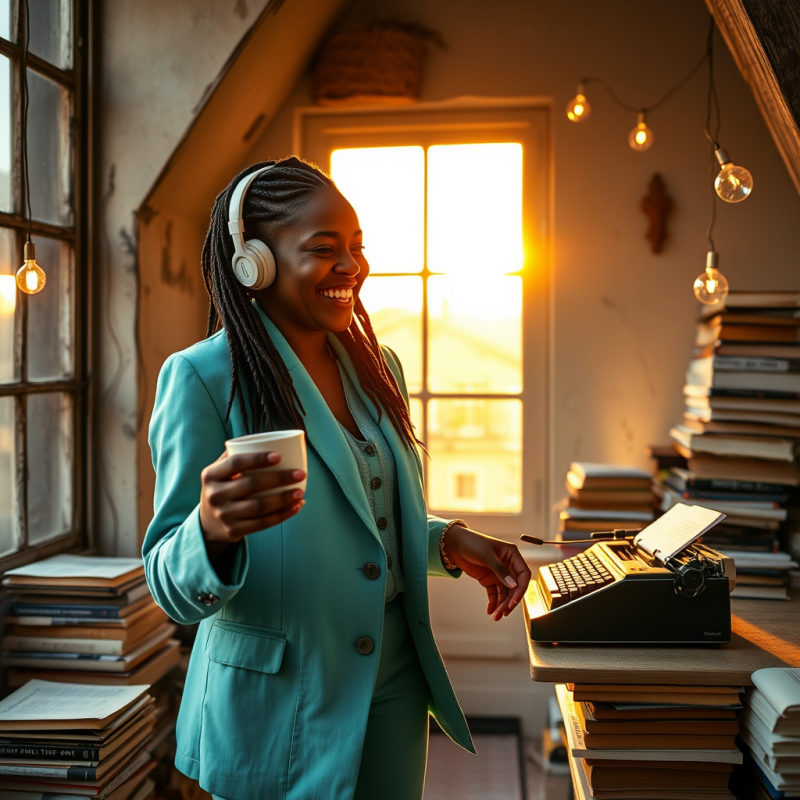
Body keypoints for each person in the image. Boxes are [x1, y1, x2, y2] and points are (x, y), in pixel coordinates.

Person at [143, 156, 532, 800]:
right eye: (325, 249)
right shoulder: (201, 379)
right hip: (274, 697)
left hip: (392, 674)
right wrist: (211, 529)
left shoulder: (379, 368)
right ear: (254, 263)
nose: (352, 266)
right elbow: (170, 585)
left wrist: (448, 543)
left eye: (356, 247)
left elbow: (363, 514)